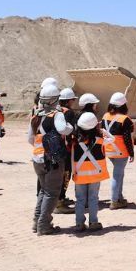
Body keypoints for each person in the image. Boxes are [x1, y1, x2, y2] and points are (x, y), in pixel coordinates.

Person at [28, 84, 74, 235]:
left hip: (37, 158)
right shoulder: (57, 115)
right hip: (52, 159)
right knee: (52, 193)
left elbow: (30, 139)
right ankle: (44, 225)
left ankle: (37, 221)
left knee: (43, 190)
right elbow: (63, 129)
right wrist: (70, 128)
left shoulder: (36, 116)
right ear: (56, 100)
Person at [70, 112, 109, 233]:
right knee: (93, 199)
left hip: (80, 175)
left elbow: (71, 158)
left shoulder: (75, 141)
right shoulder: (100, 140)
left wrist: (73, 172)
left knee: (80, 200)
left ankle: (79, 224)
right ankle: (93, 222)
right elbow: (112, 140)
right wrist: (103, 131)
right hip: (95, 175)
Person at [102, 92, 134, 209]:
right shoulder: (125, 119)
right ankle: (114, 200)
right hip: (121, 151)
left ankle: (119, 197)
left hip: (108, 150)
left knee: (119, 174)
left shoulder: (105, 116)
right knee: (117, 175)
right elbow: (127, 139)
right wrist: (131, 153)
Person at [55, 87, 78, 214]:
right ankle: (60, 202)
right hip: (66, 148)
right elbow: (71, 131)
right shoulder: (68, 113)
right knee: (66, 174)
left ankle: (58, 199)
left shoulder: (55, 111)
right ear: (69, 100)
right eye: (73, 100)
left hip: (55, 147)